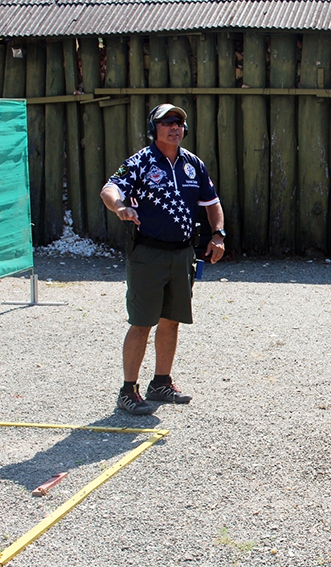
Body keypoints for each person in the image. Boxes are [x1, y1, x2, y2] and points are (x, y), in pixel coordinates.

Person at [100, 103, 225, 415]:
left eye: (179, 122)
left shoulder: (193, 164)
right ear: (153, 128)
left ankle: (161, 383)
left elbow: (212, 203)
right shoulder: (140, 162)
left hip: (183, 253)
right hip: (147, 254)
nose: (175, 128)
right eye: (167, 122)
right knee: (142, 322)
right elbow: (109, 188)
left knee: (172, 320)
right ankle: (128, 390)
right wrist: (119, 207)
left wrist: (219, 234)